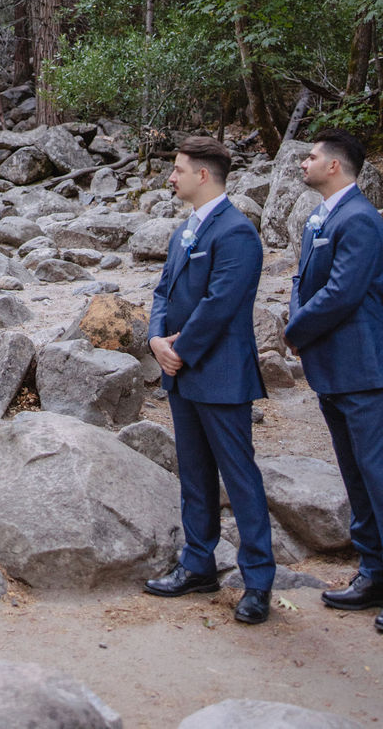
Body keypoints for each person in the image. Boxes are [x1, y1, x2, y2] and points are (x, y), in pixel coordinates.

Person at [144, 135, 275, 624]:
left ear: (203, 175)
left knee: (240, 479)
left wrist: (178, 350)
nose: (171, 177)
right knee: (195, 475)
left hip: (219, 374)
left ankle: (258, 580)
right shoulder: (185, 230)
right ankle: (197, 564)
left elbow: (221, 303)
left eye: (178, 170)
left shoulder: (236, 232)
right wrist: (156, 341)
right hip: (180, 373)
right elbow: (162, 290)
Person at [285, 128, 383, 633]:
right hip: (330, 367)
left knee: (377, 474)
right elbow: (302, 279)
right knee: (354, 473)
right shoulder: (320, 216)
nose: (303, 162)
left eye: (311, 156)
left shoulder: (361, 219)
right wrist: (296, 317)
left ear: (336, 167)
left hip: (363, 368)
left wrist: (295, 329)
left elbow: (344, 292)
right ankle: (371, 572)